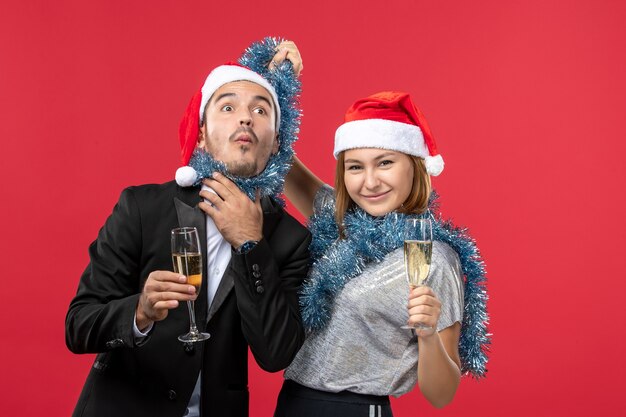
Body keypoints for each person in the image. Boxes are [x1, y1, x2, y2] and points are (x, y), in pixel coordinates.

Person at [65, 38, 310, 417]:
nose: (245, 117)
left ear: (277, 142)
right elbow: (78, 325)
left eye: (261, 110)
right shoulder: (142, 208)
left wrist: (250, 243)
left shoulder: (291, 241)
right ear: (200, 134)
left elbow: (275, 353)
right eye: (227, 107)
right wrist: (140, 312)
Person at [276, 91, 489, 416]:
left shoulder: (432, 257)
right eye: (355, 167)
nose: (370, 182)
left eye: (385, 163)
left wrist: (429, 336)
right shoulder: (340, 221)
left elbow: (442, 394)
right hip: (293, 403)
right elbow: (281, 159)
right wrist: (273, 86)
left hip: (357, 409)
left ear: (414, 167)